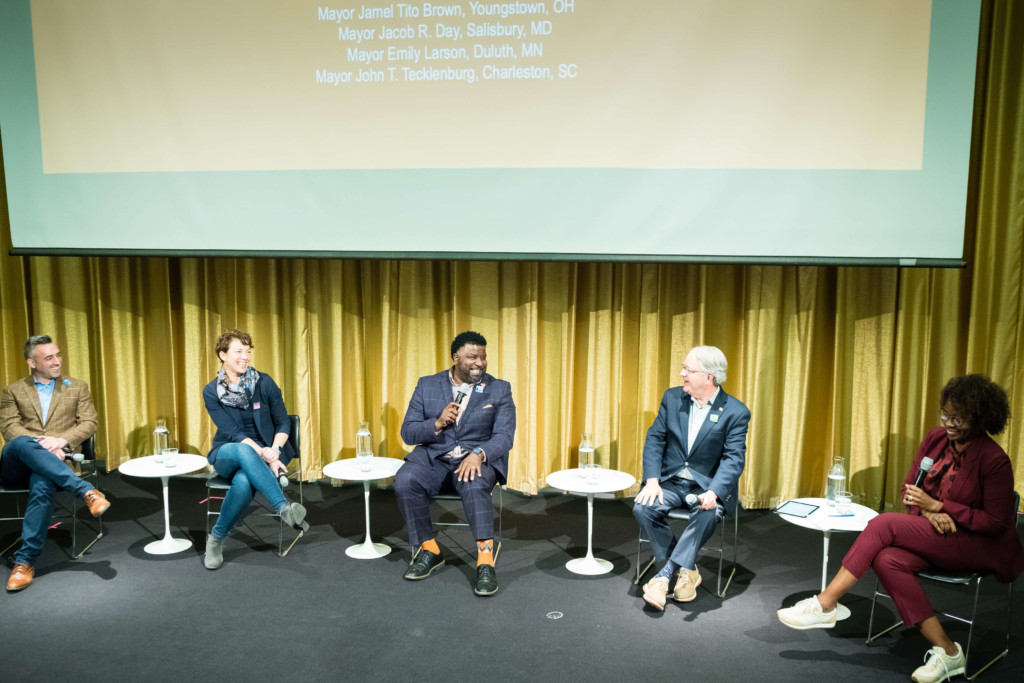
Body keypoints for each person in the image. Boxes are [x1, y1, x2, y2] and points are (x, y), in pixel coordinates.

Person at [777, 374, 1024, 683]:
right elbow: (910, 489)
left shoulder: (994, 460)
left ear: (980, 418)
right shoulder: (936, 438)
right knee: (886, 559)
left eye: (958, 419)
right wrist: (928, 512)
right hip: (936, 533)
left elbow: (997, 523)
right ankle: (949, 652)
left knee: (883, 524)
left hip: (978, 545)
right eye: (946, 414)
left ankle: (825, 604)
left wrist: (940, 507)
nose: (949, 423)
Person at [395, 331, 516, 596]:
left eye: (483, 357)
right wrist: (436, 423)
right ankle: (430, 550)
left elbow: (505, 437)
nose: (480, 363)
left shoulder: (499, 388)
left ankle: (485, 561)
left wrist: (480, 453)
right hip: (435, 456)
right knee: (405, 480)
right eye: (472, 357)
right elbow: (408, 432)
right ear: (455, 357)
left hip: (475, 459)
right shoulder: (427, 385)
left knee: (473, 484)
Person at [634, 345, 750, 609]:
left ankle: (663, 577)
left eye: (688, 369)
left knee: (708, 513)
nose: (681, 373)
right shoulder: (673, 398)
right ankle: (686, 570)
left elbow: (733, 458)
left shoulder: (735, 412)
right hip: (671, 481)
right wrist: (652, 480)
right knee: (643, 507)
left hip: (705, 487)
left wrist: (715, 492)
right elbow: (655, 438)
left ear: (709, 376)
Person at [1, 335, 111, 592]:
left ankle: (25, 561)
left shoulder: (77, 387)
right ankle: (86, 491)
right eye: (49, 358)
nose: (57, 361)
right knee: (18, 443)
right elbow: (8, 427)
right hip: (17, 464)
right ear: (31, 362)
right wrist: (43, 446)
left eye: (58, 355)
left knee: (42, 483)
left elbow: (89, 423)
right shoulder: (13, 391)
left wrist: (61, 440)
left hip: (54, 465)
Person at [201, 329, 306, 570]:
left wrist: (275, 450)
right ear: (223, 355)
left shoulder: (264, 382)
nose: (245, 357)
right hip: (229, 452)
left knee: (245, 481)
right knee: (243, 449)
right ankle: (282, 507)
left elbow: (282, 422)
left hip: (270, 452)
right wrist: (265, 455)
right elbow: (234, 434)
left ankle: (215, 540)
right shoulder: (211, 392)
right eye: (238, 351)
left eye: (248, 352)